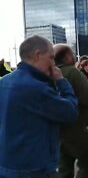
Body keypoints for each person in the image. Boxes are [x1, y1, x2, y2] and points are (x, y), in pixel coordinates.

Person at [0, 35, 78, 177]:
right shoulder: (36, 88)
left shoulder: (4, 82)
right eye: (51, 57)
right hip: (34, 167)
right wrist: (62, 82)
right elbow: (70, 112)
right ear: (37, 55)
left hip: (7, 163)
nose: (53, 63)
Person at [53, 44, 88, 178]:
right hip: (75, 128)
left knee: (64, 168)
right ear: (67, 57)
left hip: (57, 130)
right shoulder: (72, 72)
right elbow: (87, 98)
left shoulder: (49, 73)